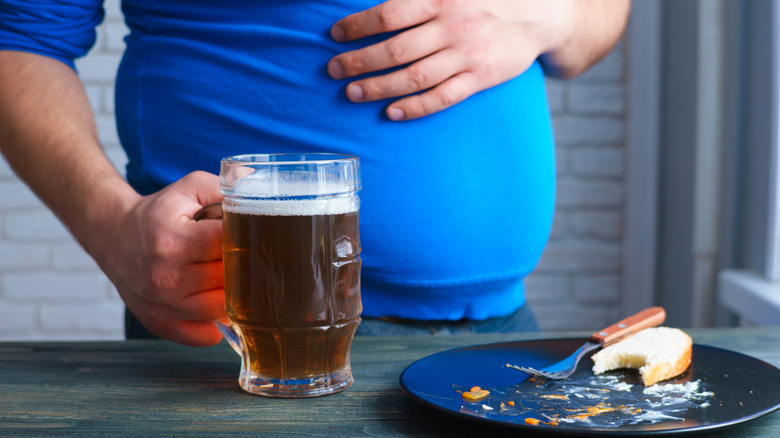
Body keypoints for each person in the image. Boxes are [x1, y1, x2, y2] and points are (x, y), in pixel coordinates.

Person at [0, 0, 630, 346]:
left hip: (505, 324)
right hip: (250, 329)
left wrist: (551, 15)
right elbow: (20, 37)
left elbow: (604, 17)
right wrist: (110, 226)